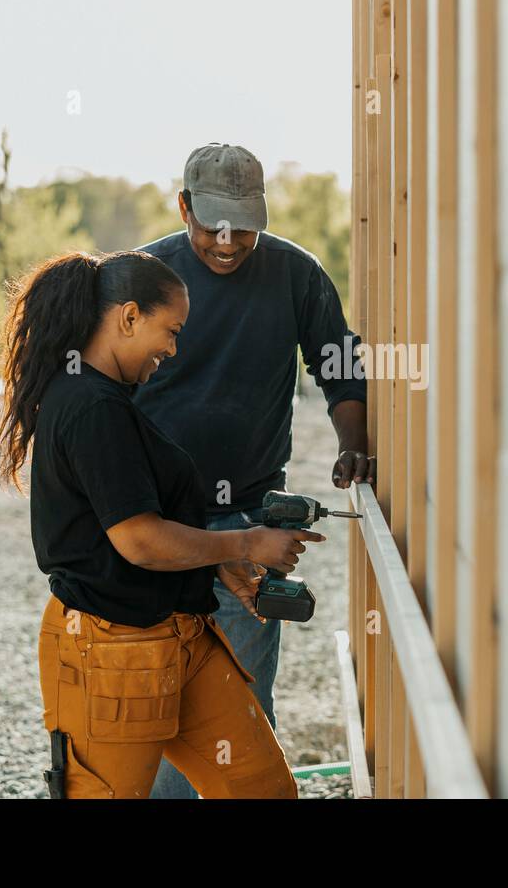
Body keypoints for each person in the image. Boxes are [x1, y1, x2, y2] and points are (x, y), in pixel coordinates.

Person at [0, 248, 325, 798]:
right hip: (112, 653)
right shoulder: (89, 406)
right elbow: (139, 540)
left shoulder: (111, 400)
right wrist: (245, 541)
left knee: (259, 787)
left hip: (184, 639)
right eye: (169, 331)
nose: (172, 349)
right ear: (128, 317)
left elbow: (148, 522)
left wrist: (220, 566)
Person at [134, 143, 373, 800]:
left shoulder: (297, 275)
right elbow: (102, 399)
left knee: (239, 716)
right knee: (156, 706)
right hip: (155, 531)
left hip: (249, 521)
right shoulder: (142, 277)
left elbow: (340, 368)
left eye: (245, 224)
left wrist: (352, 442)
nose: (229, 240)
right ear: (183, 207)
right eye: (213, 223)